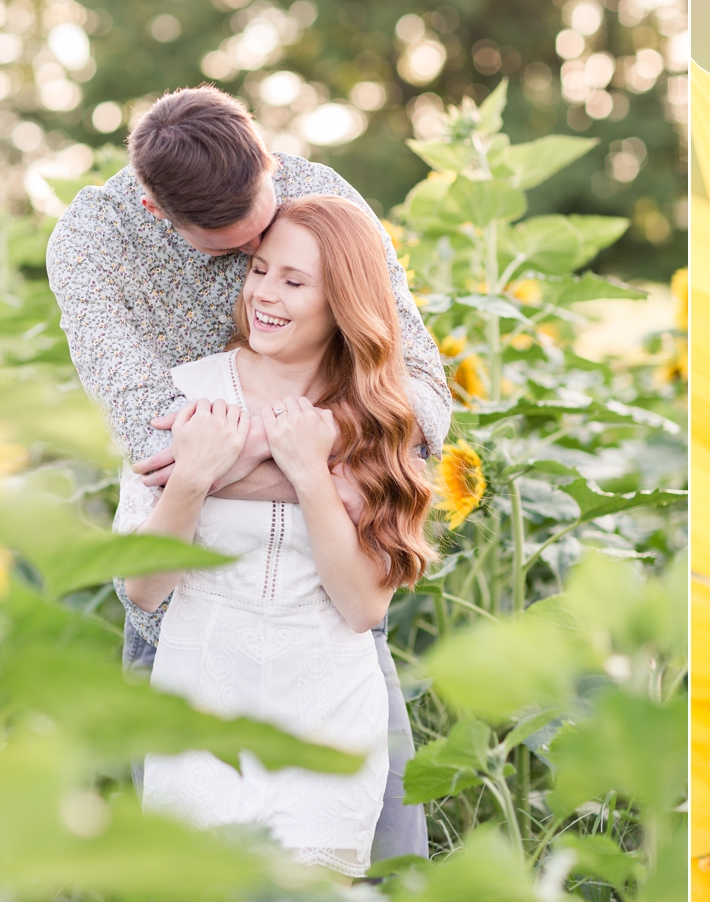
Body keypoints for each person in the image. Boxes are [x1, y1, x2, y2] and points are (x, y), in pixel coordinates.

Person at [46, 86, 446, 861]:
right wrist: (339, 466)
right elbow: (157, 443)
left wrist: (291, 467)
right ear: (159, 212)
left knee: (387, 854)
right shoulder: (92, 245)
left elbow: (422, 400)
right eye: (244, 253)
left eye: (275, 242)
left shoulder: (319, 195)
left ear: (267, 155)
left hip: (329, 589)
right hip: (188, 608)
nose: (259, 281)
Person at [119, 196, 433, 877]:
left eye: (294, 281)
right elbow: (142, 590)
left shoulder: (377, 421)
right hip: (199, 713)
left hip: (326, 722)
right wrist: (193, 477)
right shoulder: (184, 398)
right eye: (259, 270)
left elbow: (363, 608)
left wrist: (311, 474)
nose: (264, 293)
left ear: (343, 300)